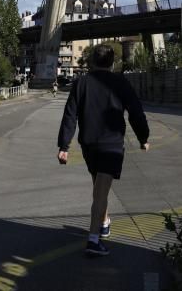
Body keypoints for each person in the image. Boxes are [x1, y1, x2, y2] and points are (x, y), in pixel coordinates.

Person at [56, 43, 150, 256]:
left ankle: (104, 222)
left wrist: (64, 145)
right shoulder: (120, 82)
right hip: (111, 145)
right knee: (100, 191)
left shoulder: (81, 83)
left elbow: (70, 114)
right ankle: (93, 240)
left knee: (99, 187)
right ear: (112, 62)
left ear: (91, 62)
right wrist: (143, 137)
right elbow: (136, 111)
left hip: (88, 144)